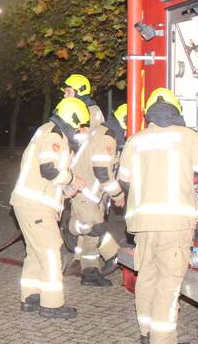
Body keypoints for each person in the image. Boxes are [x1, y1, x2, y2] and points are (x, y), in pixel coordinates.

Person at [117, 88, 198, 344]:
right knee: (169, 280)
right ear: (176, 110)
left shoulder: (136, 140)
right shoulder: (187, 137)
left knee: (147, 276)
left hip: (143, 222)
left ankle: (146, 332)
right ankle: (163, 339)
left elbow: (124, 178)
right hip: (175, 221)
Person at [9, 97, 89, 319]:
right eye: (80, 125)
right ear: (72, 119)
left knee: (35, 252)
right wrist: (73, 179)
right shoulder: (55, 135)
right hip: (36, 205)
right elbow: (49, 170)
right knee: (51, 251)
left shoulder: (48, 131)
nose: (79, 131)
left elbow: (45, 176)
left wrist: (64, 192)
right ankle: (52, 304)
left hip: (30, 202)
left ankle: (30, 296)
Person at [67, 116, 124, 287]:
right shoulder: (107, 137)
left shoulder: (98, 132)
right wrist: (117, 194)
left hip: (86, 194)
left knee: (91, 236)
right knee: (96, 228)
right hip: (85, 193)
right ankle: (113, 254)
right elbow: (103, 171)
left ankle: (90, 273)